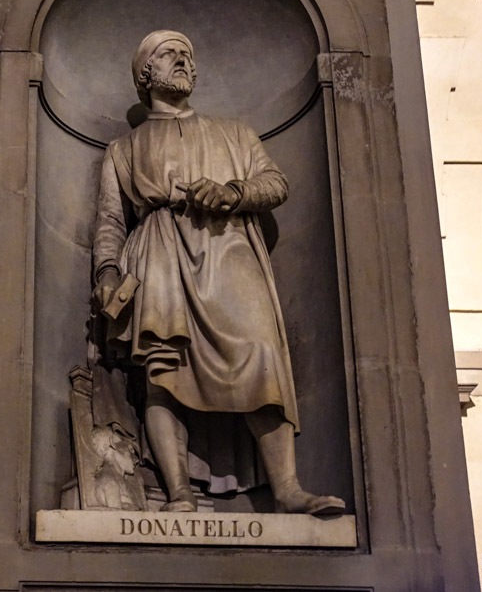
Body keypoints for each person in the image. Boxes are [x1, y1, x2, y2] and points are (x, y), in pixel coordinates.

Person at [91, 30, 344, 515]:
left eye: (187, 55)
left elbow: (276, 183)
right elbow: (110, 221)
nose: (183, 61)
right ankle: (180, 493)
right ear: (146, 73)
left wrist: (233, 193)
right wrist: (106, 270)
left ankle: (287, 489)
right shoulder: (124, 149)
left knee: (262, 352)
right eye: (169, 54)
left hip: (229, 249)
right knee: (162, 369)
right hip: (159, 252)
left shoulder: (236, 133)